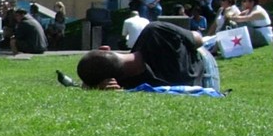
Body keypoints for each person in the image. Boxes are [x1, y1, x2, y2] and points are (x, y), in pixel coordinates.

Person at [75, 19, 214, 90]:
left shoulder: (128, 84)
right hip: (205, 66)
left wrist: (95, 86)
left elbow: (86, 86)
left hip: (198, 85)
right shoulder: (155, 31)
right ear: (105, 48)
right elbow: (198, 40)